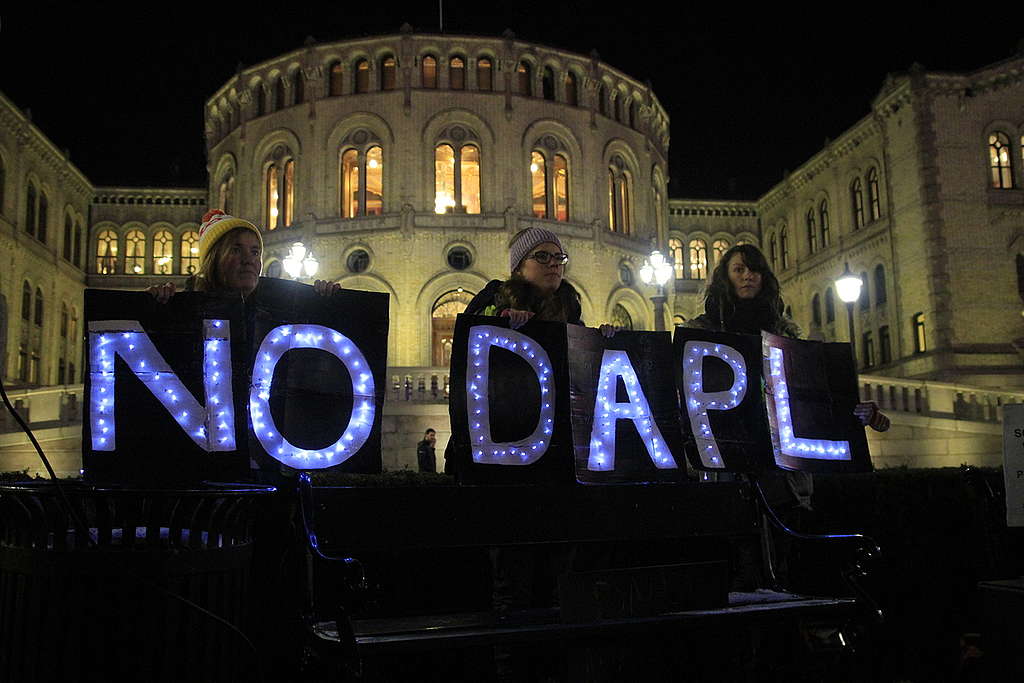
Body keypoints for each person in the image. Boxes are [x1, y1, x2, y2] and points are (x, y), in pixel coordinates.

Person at [689, 243, 888, 588]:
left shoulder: (785, 333)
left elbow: (809, 391)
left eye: (755, 269)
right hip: (728, 465)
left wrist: (853, 414)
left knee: (786, 550)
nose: (748, 275)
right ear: (726, 277)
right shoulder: (704, 329)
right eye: (739, 269)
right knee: (738, 556)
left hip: (780, 471)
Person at [149, 209, 263, 302]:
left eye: (255, 252)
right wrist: (151, 304)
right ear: (213, 260)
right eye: (236, 250)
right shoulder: (186, 309)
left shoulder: (274, 312)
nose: (249, 260)